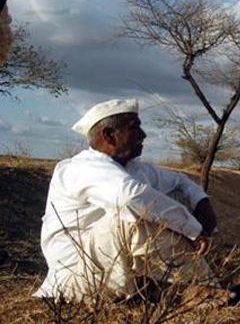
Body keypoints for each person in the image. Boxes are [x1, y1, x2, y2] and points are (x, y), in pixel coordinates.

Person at [34, 98, 219, 301]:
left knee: (172, 198)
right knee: (133, 217)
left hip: (110, 268)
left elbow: (179, 180)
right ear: (109, 135)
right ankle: (202, 288)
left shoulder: (133, 168)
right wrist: (194, 230)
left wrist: (202, 202)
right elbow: (130, 198)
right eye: (134, 127)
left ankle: (204, 286)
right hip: (76, 277)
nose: (143, 135)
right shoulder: (80, 168)